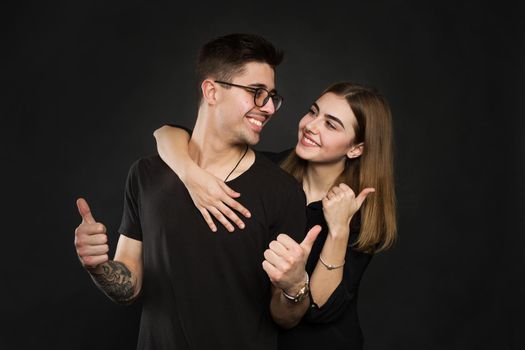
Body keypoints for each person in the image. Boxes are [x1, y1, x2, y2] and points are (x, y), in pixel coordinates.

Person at [74, 33, 323, 350]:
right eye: (257, 93)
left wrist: (294, 287)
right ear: (211, 91)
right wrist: (98, 268)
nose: (269, 107)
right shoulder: (146, 175)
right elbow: (129, 285)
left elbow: (286, 317)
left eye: (273, 96)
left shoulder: (282, 190)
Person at [153, 82, 397, 349]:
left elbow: (318, 309)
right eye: (313, 112)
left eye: (331, 124)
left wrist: (339, 230)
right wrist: (190, 174)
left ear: (356, 149)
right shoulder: (266, 171)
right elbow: (166, 134)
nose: (311, 126)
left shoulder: (361, 211)